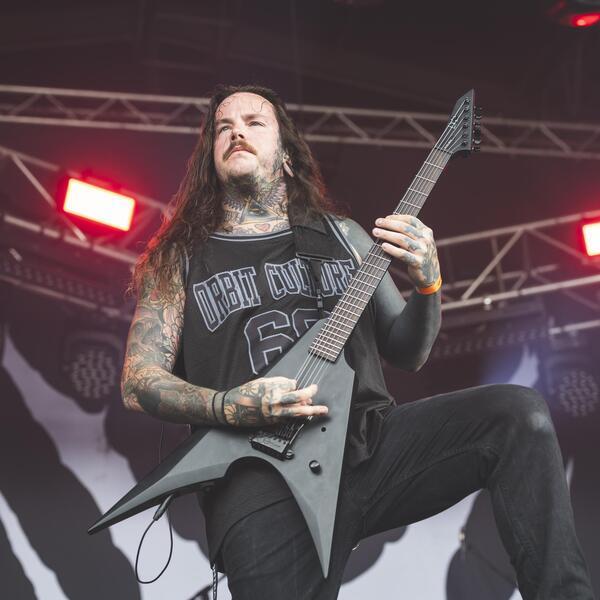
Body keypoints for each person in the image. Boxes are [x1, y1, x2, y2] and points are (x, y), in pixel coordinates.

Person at [121, 84, 595, 599]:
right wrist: (229, 405)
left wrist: (429, 284)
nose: (236, 132)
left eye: (254, 122)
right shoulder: (180, 257)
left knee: (518, 415)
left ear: (287, 155)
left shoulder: (343, 236)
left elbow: (408, 350)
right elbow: (138, 379)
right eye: (223, 128)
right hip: (257, 477)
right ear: (210, 160)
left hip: (370, 447)